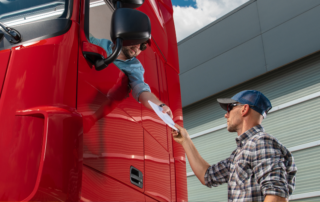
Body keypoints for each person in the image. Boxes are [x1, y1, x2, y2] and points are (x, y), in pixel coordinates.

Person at [172, 90, 297, 202]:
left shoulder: (260, 142)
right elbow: (207, 176)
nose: (226, 115)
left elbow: (276, 196)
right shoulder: (240, 153)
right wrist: (185, 140)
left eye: (230, 108)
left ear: (244, 109)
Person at [88, 34, 172, 118]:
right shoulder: (101, 43)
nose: (138, 46)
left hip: (93, 109)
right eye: (138, 40)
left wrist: (160, 106)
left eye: (143, 45)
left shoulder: (135, 67)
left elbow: (141, 89)